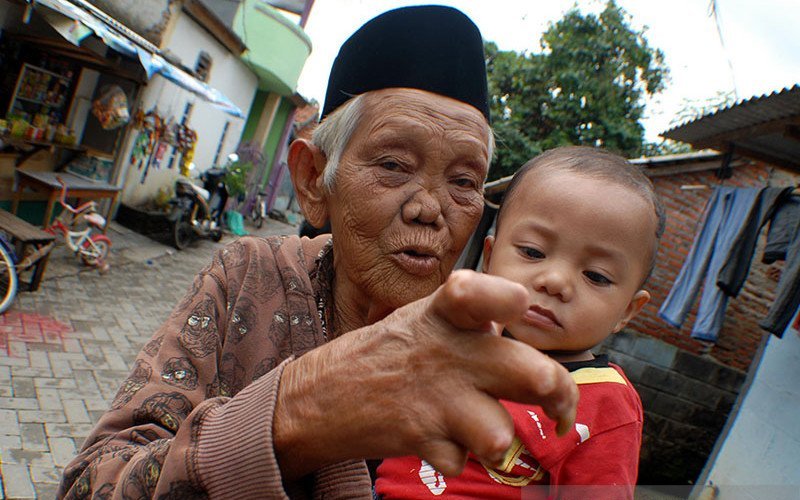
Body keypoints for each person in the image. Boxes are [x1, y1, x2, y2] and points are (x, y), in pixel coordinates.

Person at [58, 6, 578, 499]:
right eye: (394, 165)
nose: (429, 208)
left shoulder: (503, 348)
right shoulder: (246, 275)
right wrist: (300, 411)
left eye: (464, 181)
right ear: (312, 178)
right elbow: (91, 482)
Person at [375, 146, 666, 499]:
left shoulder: (604, 405)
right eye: (532, 252)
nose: (555, 282)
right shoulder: (451, 335)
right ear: (489, 256)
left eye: (596, 276)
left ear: (627, 311)